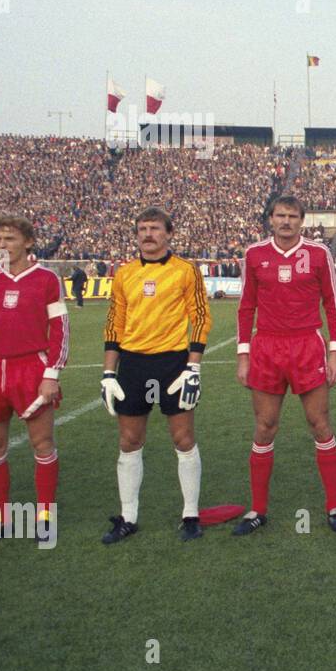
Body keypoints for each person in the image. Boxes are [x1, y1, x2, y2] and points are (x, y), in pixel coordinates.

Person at [233, 195, 336, 536]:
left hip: (307, 345)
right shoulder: (254, 254)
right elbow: (245, 306)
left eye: (292, 216)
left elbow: (332, 303)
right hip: (266, 346)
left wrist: (334, 351)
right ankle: (258, 509)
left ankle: (334, 506)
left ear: (302, 220)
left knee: (320, 424)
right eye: (280, 215)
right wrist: (243, 355)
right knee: (265, 426)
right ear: (270, 219)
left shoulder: (318, 254)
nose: (286, 221)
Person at [99, 206, 211, 543]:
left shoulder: (186, 271)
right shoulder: (124, 273)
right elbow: (114, 323)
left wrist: (193, 366)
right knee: (130, 441)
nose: (148, 234)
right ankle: (128, 517)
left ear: (168, 233)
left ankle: (190, 514)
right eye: (142, 229)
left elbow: (202, 318)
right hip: (132, 364)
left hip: (173, 363)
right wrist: (108, 372)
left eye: (155, 228)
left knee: (183, 439)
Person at [0, 216, 68, 547]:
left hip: (31, 370)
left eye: (9, 238)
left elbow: (60, 329)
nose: (2, 245)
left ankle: (45, 516)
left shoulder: (47, 280)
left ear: (28, 242)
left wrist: (51, 373)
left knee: (42, 444)